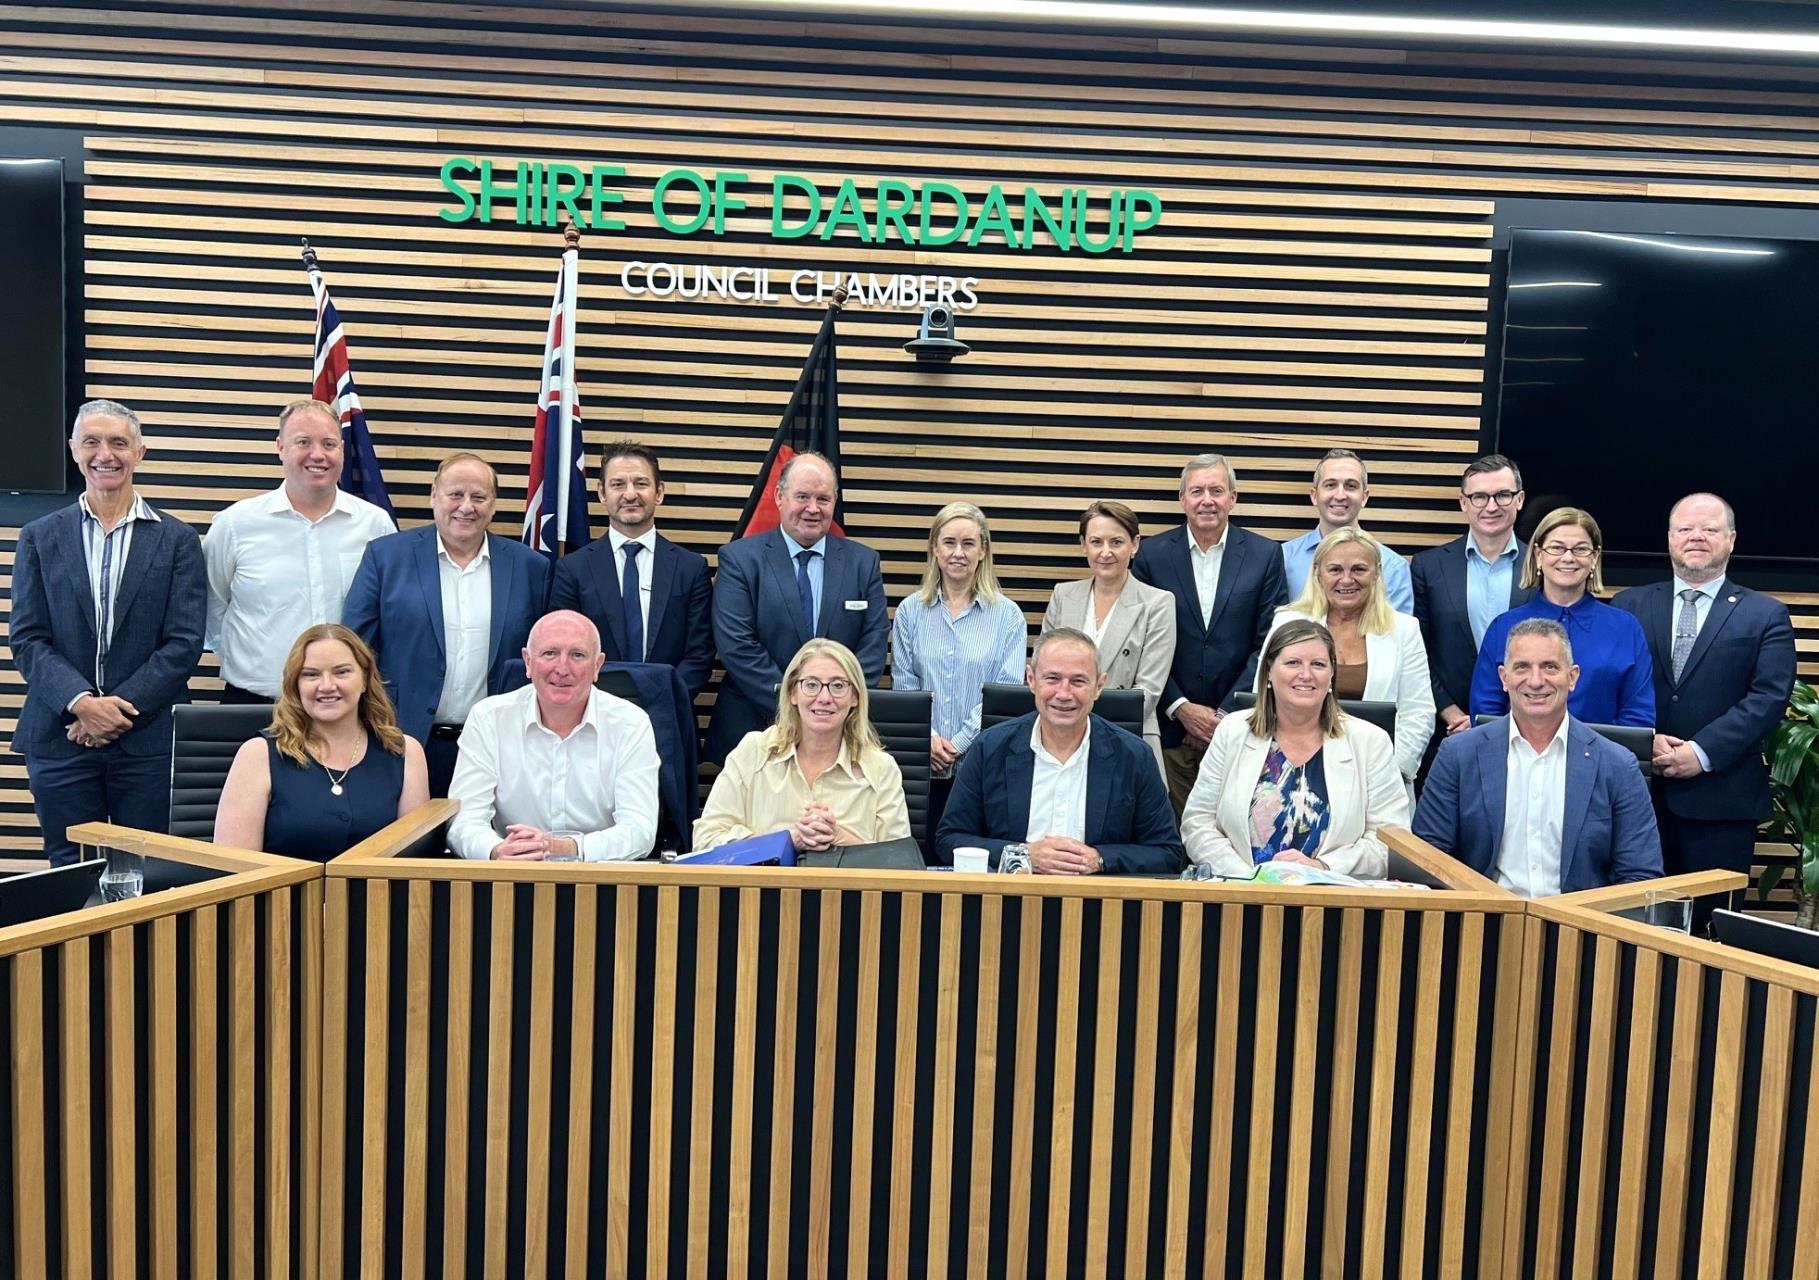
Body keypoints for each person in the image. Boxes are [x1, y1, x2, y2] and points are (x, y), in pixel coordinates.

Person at [11, 400, 207, 865]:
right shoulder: (39, 536)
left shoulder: (178, 540)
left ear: (140, 452)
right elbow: (28, 638)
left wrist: (114, 711)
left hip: (149, 740)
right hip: (60, 735)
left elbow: (183, 643)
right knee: (71, 870)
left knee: (149, 873)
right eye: (92, 442)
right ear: (73, 450)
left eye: (119, 442)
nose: (106, 454)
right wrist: (82, 704)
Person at [1612, 494, 1796, 918]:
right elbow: (1611, 688)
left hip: (1722, 802)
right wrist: (1644, 741)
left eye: (1709, 529)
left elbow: (1768, 697)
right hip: (1637, 796)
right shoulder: (1628, 605)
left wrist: (1701, 752)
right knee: (1631, 927)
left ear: (1731, 540)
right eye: (1685, 529)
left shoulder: (1765, 614)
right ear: (1669, 539)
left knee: (1710, 930)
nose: (1696, 537)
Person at [342, 453, 552, 797]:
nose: (466, 507)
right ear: (433, 496)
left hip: (499, 747)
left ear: (493, 505)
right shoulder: (385, 557)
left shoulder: (531, 568)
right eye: (456, 494)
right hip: (401, 740)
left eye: (478, 497)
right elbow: (353, 650)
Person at [1415, 619, 1663, 895]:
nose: (1535, 681)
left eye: (1550, 667)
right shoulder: (1458, 756)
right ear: (1503, 678)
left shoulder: (1618, 765)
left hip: (1579, 919)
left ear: (1573, 677)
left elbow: (1640, 875)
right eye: (1522, 667)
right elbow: (1426, 861)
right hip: (1482, 917)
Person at [934, 629, 1184, 874]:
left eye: (1078, 681)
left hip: (1098, 897)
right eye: (1052, 678)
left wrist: (1099, 859)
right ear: (1031, 679)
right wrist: (1022, 855)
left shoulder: (1135, 757)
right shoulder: (989, 747)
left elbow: (1167, 852)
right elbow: (949, 838)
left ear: (1099, 686)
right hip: (1011, 894)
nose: (1064, 694)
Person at [1181, 618, 1408, 877]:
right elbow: (1198, 823)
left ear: (1331, 676)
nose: (1306, 674)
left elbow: (1391, 842)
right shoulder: (1232, 731)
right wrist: (1249, 880)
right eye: (1293, 663)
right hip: (1240, 891)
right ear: (1268, 672)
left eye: (1318, 664)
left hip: (1333, 896)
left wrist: (1322, 869)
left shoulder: (1371, 742)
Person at [203, 398, 395, 701]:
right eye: (303, 442)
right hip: (255, 703)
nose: (317, 454)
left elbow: (389, 611)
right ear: (281, 447)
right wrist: (250, 660)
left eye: (329, 444)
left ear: (342, 450)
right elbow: (211, 605)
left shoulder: (375, 524)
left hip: (346, 706)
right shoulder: (235, 525)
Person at [1132, 453, 1289, 816]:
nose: (1207, 500)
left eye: (1216, 491)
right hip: (1169, 730)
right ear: (1182, 499)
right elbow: (1140, 643)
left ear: (1233, 498)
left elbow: (1270, 642)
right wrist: (1181, 708)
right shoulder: (1151, 555)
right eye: (1197, 491)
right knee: (1171, 832)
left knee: (1235, 827)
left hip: (1241, 728)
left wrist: (1224, 716)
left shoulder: (1265, 555)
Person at [706, 451, 887, 763]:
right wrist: (798, 706)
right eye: (802, 496)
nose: (813, 508)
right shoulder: (739, 559)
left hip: (838, 733)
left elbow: (872, 646)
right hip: (755, 727)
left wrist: (834, 703)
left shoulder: (863, 563)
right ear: (779, 496)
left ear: (834, 501)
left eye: (823, 499)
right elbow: (737, 645)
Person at [447, 611, 660, 860]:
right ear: (528, 661)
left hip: (600, 874)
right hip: (514, 872)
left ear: (597, 666)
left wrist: (567, 848)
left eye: (577, 655)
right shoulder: (488, 719)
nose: (562, 668)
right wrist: (496, 850)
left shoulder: (631, 724)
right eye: (550, 653)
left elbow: (640, 829)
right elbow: (463, 820)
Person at [214, 625, 430, 861]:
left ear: (365, 680)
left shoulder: (404, 752)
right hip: (282, 886)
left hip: (375, 887)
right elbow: (233, 868)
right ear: (295, 684)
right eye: (311, 674)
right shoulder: (258, 755)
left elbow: (412, 866)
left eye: (342, 672)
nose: (326, 686)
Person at [889, 503, 1027, 845]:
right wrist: (928, 737)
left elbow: (1004, 693)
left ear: (983, 550)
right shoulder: (909, 611)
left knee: (972, 856)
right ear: (935, 548)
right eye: (949, 542)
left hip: (982, 766)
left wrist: (959, 743)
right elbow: (905, 686)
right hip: (921, 767)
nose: (958, 553)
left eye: (968, 544)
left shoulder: (1008, 616)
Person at [1258, 527, 1435, 794]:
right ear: (1317, 573)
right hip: (1292, 776)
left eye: (1359, 569)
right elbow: (1263, 697)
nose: (1346, 579)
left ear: (1376, 573)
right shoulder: (1287, 622)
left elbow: (1418, 712)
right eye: (1335, 569)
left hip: (1378, 780)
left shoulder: (1404, 630)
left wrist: (1386, 773)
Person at [694, 639, 911, 853]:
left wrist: (839, 838)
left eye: (838, 686)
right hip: (767, 878)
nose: (824, 697)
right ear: (792, 693)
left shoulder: (881, 768)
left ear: (855, 697)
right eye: (811, 685)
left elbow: (901, 863)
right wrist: (787, 841)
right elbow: (705, 839)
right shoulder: (754, 751)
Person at [549, 440, 715, 702]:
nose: (629, 494)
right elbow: (564, 650)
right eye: (618, 484)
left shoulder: (691, 568)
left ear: (659, 492)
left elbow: (700, 655)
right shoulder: (572, 569)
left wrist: (657, 699)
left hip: (667, 711)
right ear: (602, 493)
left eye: (641, 483)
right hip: (593, 712)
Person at [1469, 506, 1654, 727]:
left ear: (1594, 557)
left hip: (1604, 750)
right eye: (1556, 548)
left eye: (1580, 549)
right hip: (1518, 749)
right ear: (1538, 555)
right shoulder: (1504, 626)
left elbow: (1638, 716)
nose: (1568, 557)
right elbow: (1485, 711)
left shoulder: (1625, 628)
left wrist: (1594, 748)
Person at [1040, 500, 1176, 772]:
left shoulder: (1157, 603)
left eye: (1116, 542)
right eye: (1096, 542)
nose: (1105, 552)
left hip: (1128, 738)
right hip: (1060, 740)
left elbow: (1147, 693)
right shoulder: (1063, 595)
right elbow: (1044, 670)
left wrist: (1078, 714)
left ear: (1134, 544)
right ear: (1083, 545)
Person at [1410, 454, 1534, 743]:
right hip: (1447, 729)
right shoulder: (1428, 567)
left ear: (1519, 499)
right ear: (1463, 503)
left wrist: (1504, 719)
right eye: (1479, 497)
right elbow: (1415, 654)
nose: (1491, 506)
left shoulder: (1541, 565)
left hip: (1525, 729)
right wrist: (1450, 712)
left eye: (1502, 495)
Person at [1278, 449, 1414, 612]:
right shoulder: (1283, 559)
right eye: (1330, 485)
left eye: (1351, 486)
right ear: (1314, 495)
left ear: (1364, 497)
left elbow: (1395, 627)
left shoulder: (1393, 567)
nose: (1340, 495)